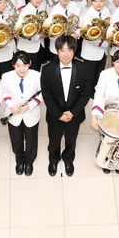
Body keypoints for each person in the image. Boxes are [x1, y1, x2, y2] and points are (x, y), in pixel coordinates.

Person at [41, 35, 92, 177]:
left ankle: (68, 159)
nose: (66, 54)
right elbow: (47, 95)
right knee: (54, 139)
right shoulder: (47, 69)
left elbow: (86, 93)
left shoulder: (83, 68)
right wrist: (58, 114)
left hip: (74, 115)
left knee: (71, 139)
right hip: (55, 114)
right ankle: (53, 159)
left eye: (69, 50)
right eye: (62, 50)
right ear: (57, 51)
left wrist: (73, 112)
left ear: (74, 51)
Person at [1, 52, 42, 176]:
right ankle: (19, 158)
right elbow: (4, 93)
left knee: (31, 139)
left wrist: (30, 106)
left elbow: (42, 94)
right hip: (13, 114)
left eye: (24, 65)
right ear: (13, 64)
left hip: (31, 113)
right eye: (18, 65)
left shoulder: (37, 75)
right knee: (16, 139)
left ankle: (29, 160)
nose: (21, 69)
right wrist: (11, 105)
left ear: (30, 64)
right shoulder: (6, 76)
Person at [79, 0, 111, 87]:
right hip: (91, 52)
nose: (98, 4)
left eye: (101, 1)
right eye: (95, 1)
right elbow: (87, 36)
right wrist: (103, 43)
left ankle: (97, 92)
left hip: (103, 51)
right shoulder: (87, 15)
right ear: (91, 1)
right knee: (89, 79)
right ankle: (88, 93)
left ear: (105, 0)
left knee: (99, 76)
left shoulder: (106, 10)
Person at [16, 0, 47, 71]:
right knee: (29, 72)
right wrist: (39, 36)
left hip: (39, 46)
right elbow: (22, 33)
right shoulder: (25, 12)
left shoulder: (39, 8)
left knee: (36, 71)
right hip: (28, 48)